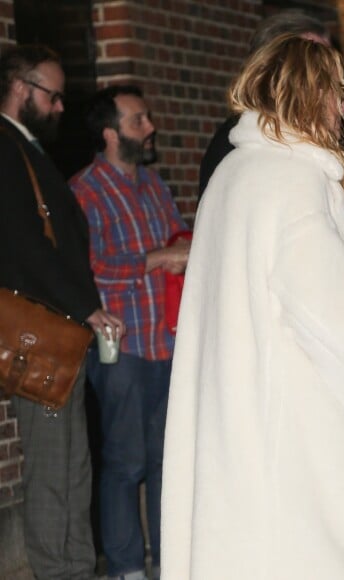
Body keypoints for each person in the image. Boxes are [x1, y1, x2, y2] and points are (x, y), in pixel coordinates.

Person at [161, 34, 344, 580]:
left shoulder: (235, 173)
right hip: (297, 422)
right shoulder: (297, 177)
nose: (343, 108)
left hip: (241, 415)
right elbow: (331, 313)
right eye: (336, 93)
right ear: (312, 96)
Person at [0, 44, 123, 579]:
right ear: (21, 88)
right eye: (52, 96)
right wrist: (87, 307)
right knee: (55, 466)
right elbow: (24, 244)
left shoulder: (24, 149)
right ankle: (61, 571)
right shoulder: (6, 149)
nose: (59, 108)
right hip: (46, 332)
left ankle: (73, 567)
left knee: (73, 463)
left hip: (60, 332)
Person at [69, 85, 190, 580]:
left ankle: (168, 560)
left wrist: (185, 246)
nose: (150, 127)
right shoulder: (83, 190)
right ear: (110, 132)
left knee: (167, 459)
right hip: (122, 345)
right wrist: (158, 259)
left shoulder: (153, 185)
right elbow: (86, 268)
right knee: (125, 462)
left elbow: (176, 239)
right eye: (139, 121)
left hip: (166, 339)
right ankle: (124, 568)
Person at [198, 10, 331, 195]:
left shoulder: (301, 135)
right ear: (274, 68)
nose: (325, 82)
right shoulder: (240, 142)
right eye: (311, 66)